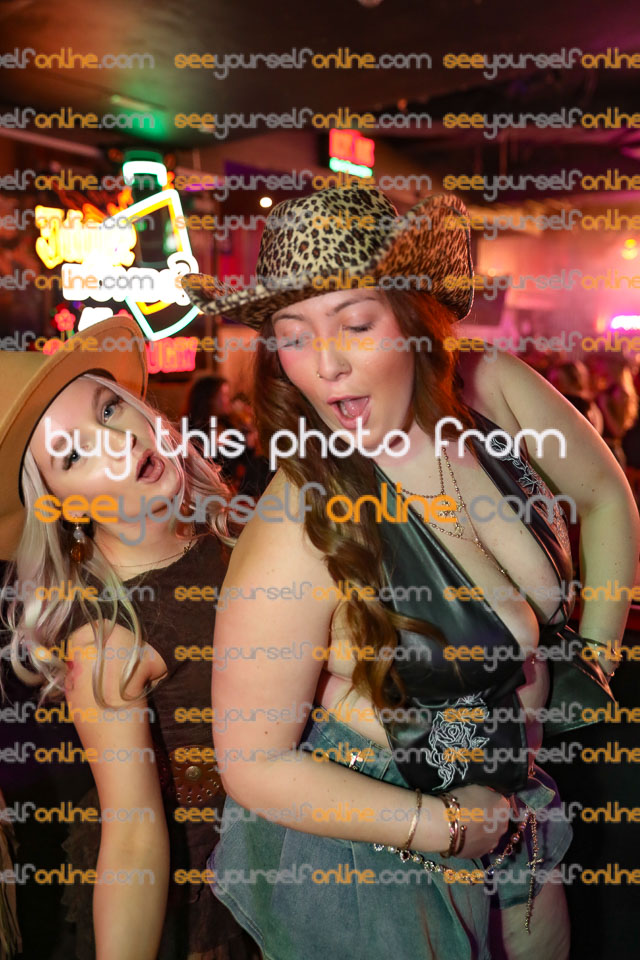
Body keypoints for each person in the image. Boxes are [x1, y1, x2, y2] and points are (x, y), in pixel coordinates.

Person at [181, 186, 639, 960]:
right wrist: (443, 827)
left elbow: (604, 498)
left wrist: (594, 658)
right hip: (381, 847)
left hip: (522, 810)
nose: (326, 365)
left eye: (356, 324)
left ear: (418, 319)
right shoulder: (300, 517)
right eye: (293, 336)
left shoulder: (490, 388)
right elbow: (253, 762)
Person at [0, 317, 259, 960]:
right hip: (216, 899)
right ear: (61, 505)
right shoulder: (109, 640)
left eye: (109, 409)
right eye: (74, 455)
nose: (118, 443)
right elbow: (134, 835)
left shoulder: (240, 526)